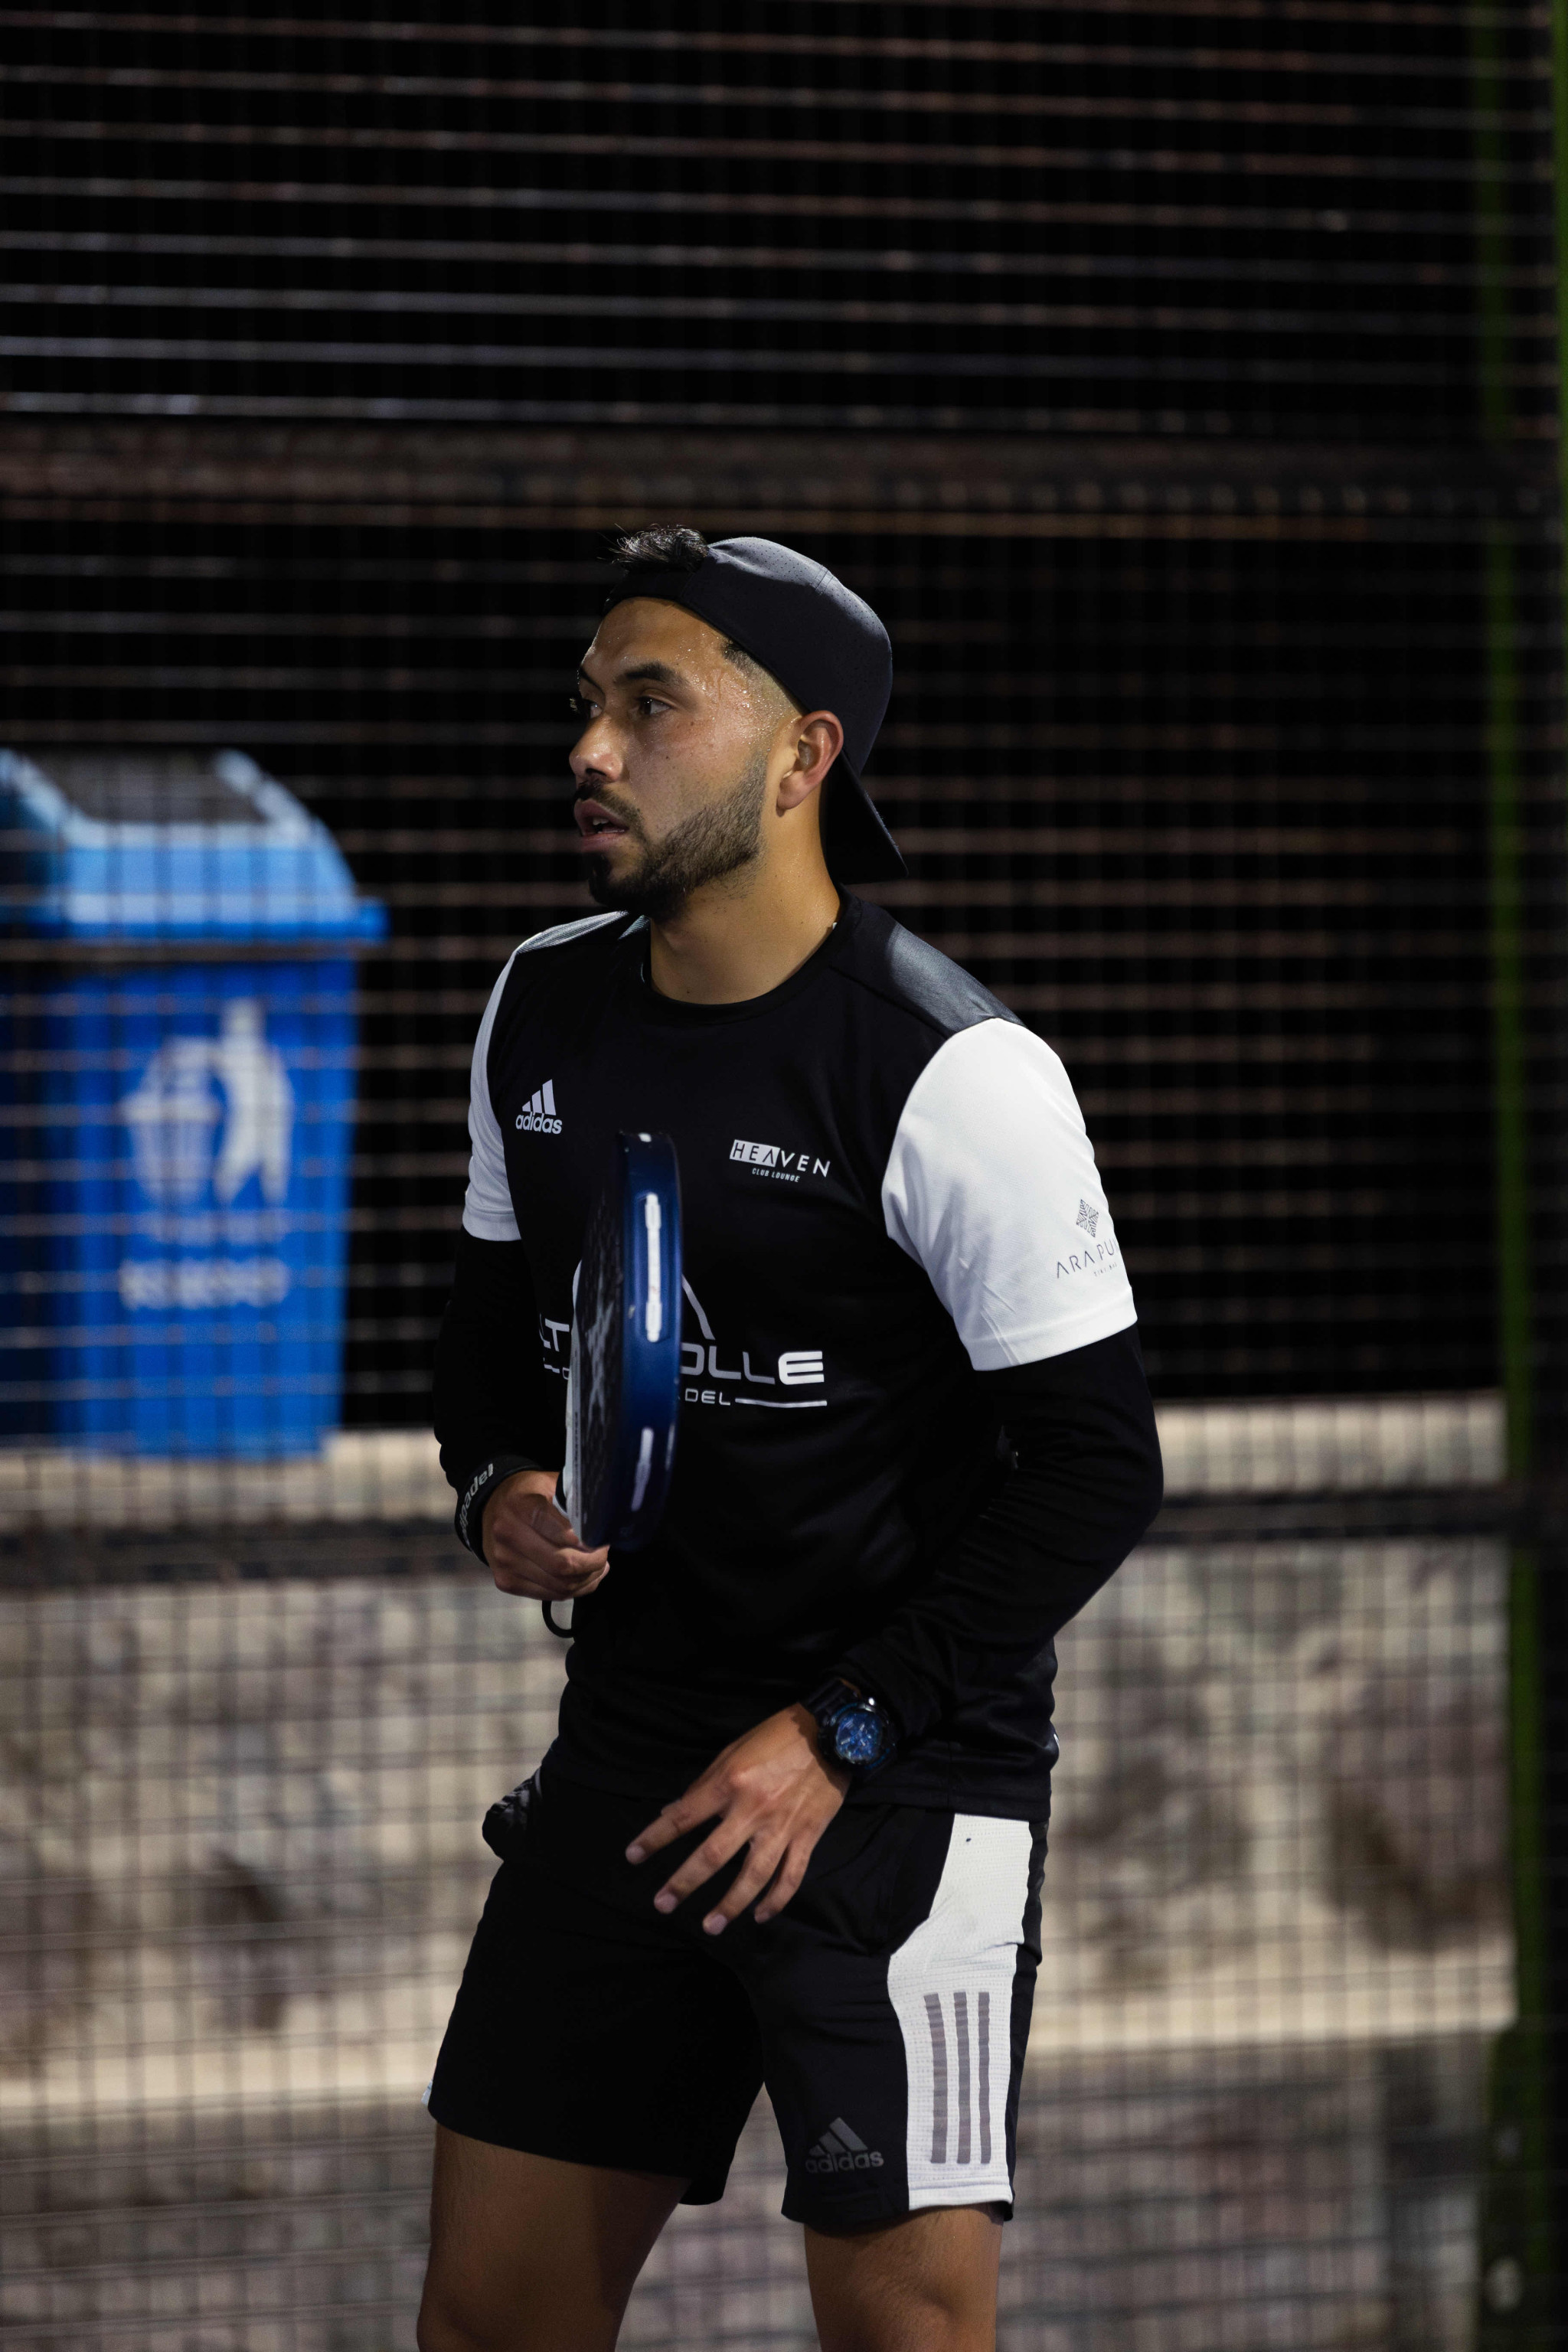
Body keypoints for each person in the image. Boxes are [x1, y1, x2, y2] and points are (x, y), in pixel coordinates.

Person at [418, 527, 1163, 2352]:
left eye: (649, 705)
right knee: (489, 2323)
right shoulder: (540, 1004)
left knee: (907, 2333)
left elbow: (1096, 1468)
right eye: (586, 705)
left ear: (800, 753)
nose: (590, 749)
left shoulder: (953, 1072)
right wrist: (497, 1484)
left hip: (899, 1781)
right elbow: (483, 1346)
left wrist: (840, 1732)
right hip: (635, 1759)